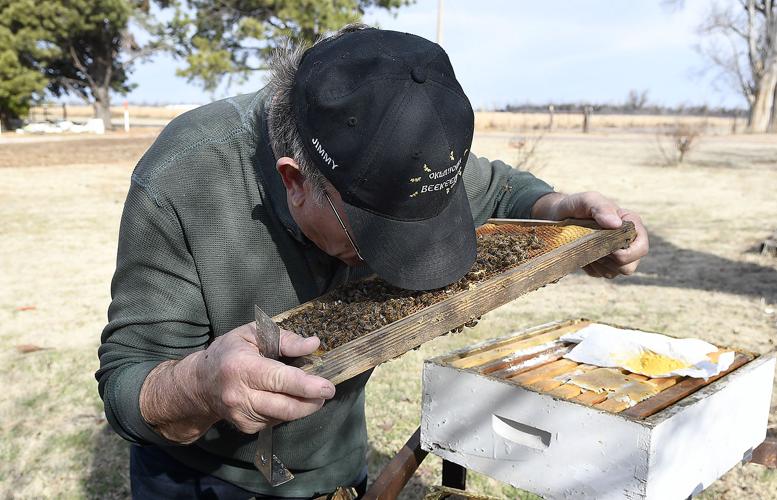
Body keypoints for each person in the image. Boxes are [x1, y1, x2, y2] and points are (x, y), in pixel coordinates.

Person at [97, 24, 648, 499]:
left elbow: (502, 189)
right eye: (373, 231)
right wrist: (199, 385)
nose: (396, 255)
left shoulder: (406, 147)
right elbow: (128, 380)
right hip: (206, 481)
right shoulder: (186, 174)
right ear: (296, 181)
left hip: (339, 465)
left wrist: (557, 211)